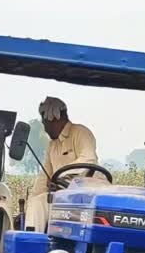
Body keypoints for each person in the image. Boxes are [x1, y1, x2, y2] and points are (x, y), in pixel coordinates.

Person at [24, 96, 102, 231]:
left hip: (89, 197)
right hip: (62, 199)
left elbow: (89, 159)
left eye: (45, 123)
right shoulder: (52, 146)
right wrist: (28, 206)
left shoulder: (80, 133)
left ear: (54, 118)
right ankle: (31, 245)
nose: (45, 129)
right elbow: (44, 178)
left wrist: (61, 176)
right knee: (37, 202)